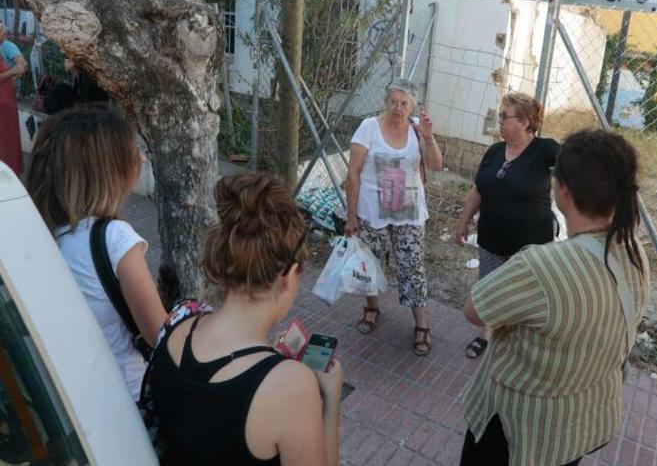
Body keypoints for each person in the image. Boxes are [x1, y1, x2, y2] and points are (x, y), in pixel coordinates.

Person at [459, 129, 651, 465]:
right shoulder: (633, 252)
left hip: (515, 428)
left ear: (562, 189)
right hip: (574, 426)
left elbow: (474, 311)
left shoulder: (542, 265)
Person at [149, 173, 343, 465]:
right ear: (288, 276)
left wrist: (268, 364)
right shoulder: (292, 387)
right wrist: (330, 401)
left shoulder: (179, 321)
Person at [25, 104, 166, 399]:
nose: (141, 158)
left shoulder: (54, 237)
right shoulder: (115, 238)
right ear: (107, 170)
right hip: (130, 395)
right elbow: (159, 335)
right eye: (133, 152)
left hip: (80, 395)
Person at [455, 92, 560, 359]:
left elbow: (577, 169)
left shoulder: (545, 150)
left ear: (525, 122)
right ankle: (488, 334)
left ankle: (522, 342)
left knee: (525, 294)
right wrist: (463, 221)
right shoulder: (493, 151)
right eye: (500, 115)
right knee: (491, 290)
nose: (499, 120)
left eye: (505, 116)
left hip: (530, 246)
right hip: (492, 239)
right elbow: (478, 189)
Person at [344, 78, 443, 356]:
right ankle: (372, 307)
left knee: (411, 266)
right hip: (371, 211)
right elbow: (353, 174)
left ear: (413, 106)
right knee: (370, 264)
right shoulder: (368, 128)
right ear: (385, 102)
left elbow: (436, 165)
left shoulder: (416, 130)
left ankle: (421, 323)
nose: (398, 108)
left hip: (409, 212)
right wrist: (351, 216)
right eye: (393, 102)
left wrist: (428, 136)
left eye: (405, 103)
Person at [0, 19, 26, 175]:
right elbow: (17, 69)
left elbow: (21, 65)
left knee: (9, 140)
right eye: (2, 30)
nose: (4, 33)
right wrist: (13, 72)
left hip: (6, 100)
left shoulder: (8, 46)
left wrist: (15, 73)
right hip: (2, 102)